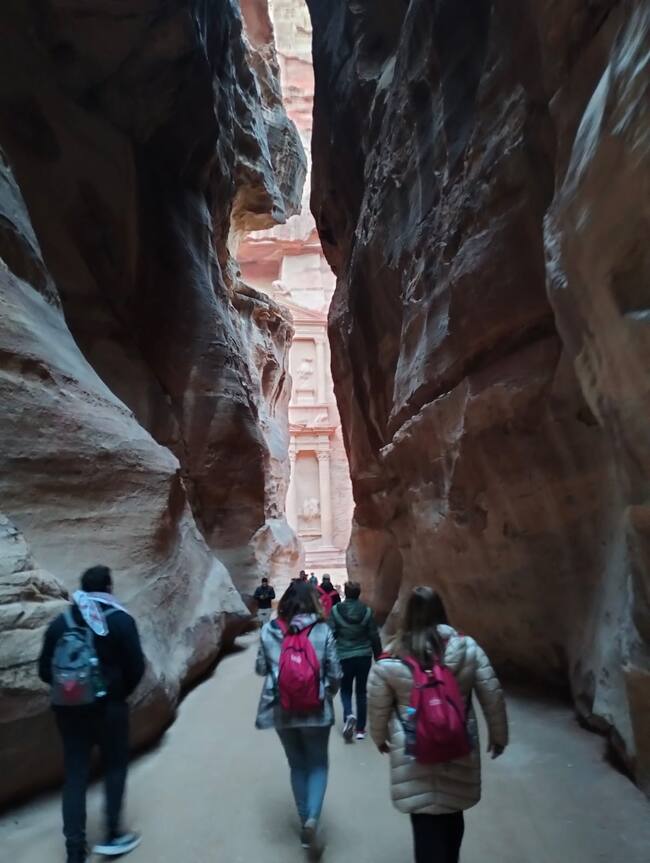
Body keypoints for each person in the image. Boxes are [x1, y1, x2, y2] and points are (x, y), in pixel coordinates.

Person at [368, 587, 508, 863]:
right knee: (453, 815)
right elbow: (492, 693)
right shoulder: (467, 649)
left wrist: (379, 736)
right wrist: (498, 734)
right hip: (457, 743)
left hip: (412, 749)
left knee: (424, 825)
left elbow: (377, 703)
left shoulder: (392, 656)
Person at [38, 566, 145, 863]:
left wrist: (72, 692)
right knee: (113, 768)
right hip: (110, 709)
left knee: (75, 776)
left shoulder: (61, 623)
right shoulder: (121, 621)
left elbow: (45, 670)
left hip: (69, 713)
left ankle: (75, 849)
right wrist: (118, 694)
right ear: (108, 587)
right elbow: (136, 666)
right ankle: (112, 834)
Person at [255, 580, 341, 856]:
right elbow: (335, 673)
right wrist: (326, 692)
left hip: (282, 707)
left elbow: (260, 668)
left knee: (297, 765)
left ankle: (305, 822)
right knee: (317, 764)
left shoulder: (269, 629)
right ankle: (313, 820)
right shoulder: (322, 630)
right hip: (316, 708)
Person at [328, 581, 382, 742]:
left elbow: (331, 634)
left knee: (345, 690)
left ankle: (348, 716)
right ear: (359, 593)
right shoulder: (367, 611)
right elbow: (373, 635)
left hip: (344, 655)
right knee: (361, 692)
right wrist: (379, 656)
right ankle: (360, 729)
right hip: (364, 656)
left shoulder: (336, 610)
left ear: (345, 592)